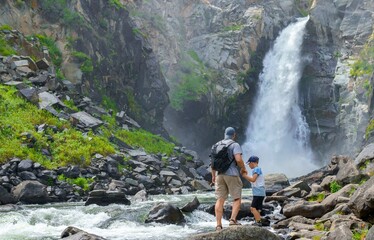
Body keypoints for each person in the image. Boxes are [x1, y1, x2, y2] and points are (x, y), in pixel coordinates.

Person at [211, 127, 247, 231]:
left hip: (219, 175)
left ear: (224, 134)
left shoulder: (216, 145)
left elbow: (212, 163)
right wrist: (243, 168)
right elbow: (238, 159)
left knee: (220, 199)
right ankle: (232, 220)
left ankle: (218, 225)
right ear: (234, 135)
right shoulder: (234, 145)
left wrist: (213, 176)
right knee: (236, 198)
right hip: (232, 174)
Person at [241, 156, 265, 227]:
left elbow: (253, 179)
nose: (248, 165)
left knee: (252, 208)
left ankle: (258, 222)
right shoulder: (257, 169)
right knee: (257, 209)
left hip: (258, 192)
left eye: (249, 164)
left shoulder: (256, 169)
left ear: (252, 163)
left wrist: (245, 176)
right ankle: (258, 221)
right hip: (259, 192)